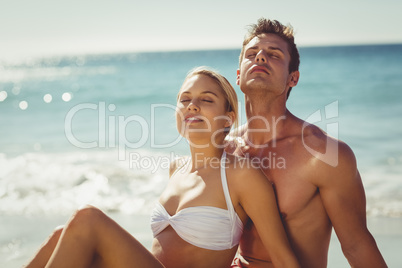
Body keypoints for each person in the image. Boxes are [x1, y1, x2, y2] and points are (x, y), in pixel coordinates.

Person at [24, 67, 300, 268]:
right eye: (185, 99)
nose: (192, 106)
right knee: (62, 235)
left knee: (87, 219)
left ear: (228, 119)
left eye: (206, 100)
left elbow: (283, 257)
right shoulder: (176, 169)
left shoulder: (240, 174)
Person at [227, 18, 388, 267]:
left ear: (293, 78)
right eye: (251, 54)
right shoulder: (225, 148)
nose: (260, 57)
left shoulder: (322, 153)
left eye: (274, 54)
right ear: (238, 76)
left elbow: (357, 246)